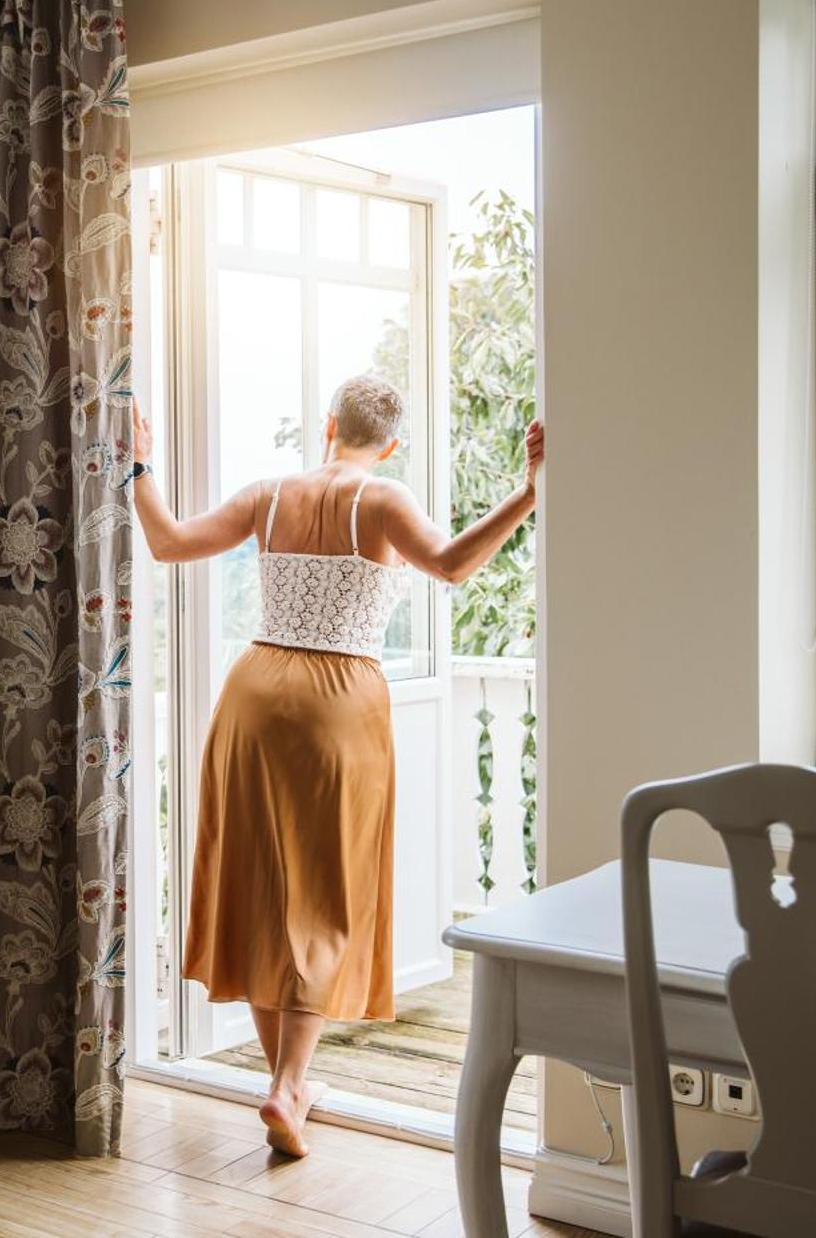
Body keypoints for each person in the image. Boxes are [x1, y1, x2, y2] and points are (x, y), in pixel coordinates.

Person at [131, 374, 542, 1158]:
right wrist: (528, 496)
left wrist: (139, 467)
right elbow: (453, 565)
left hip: (252, 695)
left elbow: (169, 543)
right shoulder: (382, 501)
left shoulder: (268, 493)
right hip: (337, 701)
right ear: (388, 444)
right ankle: (290, 1084)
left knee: (254, 883)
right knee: (325, 893)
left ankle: (283, 1082)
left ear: (328, 425)